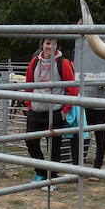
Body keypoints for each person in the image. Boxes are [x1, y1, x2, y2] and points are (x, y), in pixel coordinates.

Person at [23, 37, 78, 187]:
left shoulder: (63, 63)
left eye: (53, 44)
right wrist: (29, 105)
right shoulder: (34, 62)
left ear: (57, 46)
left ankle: (52, 177)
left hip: (55, 111)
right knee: (31, 141)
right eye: (47, 43)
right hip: (36, 110)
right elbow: (28, 85)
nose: (50, 47)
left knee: (53, 146)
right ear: (42, 45)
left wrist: (65, 110)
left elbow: (72, 88)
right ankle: (41, 172)